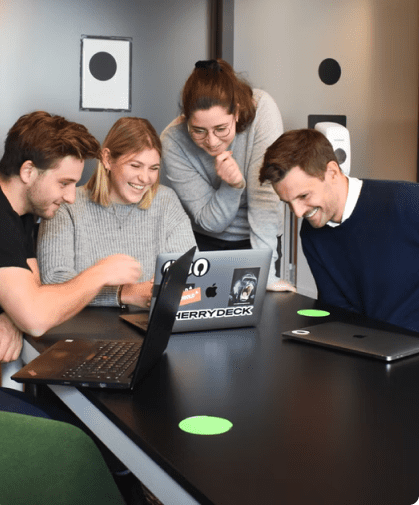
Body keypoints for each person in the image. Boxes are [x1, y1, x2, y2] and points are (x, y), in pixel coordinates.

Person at [0, 111, 142, 417]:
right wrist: (100, 273)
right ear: (29, 171)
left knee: (68, 417)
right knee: (62, 427)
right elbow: (36, 318)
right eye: (64, 183)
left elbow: (33, 287)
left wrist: (12, 315)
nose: (71, 197)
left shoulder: (14, 210)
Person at [259, 128, 419, 333]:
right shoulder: (311, 233)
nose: (297, 213)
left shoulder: (407, 201)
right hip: (371, 345)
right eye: (287, 202)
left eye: (304, 196)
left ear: (332, 172)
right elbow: (338, 310)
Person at [161, 58, 293, 291]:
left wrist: (266, 274)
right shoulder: (173, 141)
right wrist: (232, 186)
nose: (212, 142)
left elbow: (265, 199)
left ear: (237, 113)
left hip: (261, 241)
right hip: (205, 242)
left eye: (221, 129)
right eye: (198, 131)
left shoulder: (262, 109)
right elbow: (211, 221)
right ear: (186, 119)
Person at [38, 117, 196, 308]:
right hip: (82, 321)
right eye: (135, 165)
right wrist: (123, 293)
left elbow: (193, 273)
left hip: (146, 320)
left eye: (153, 168)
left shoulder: (166, 201)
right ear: (107, 159)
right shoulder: (67, 204)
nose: (145, 178)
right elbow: (54, 281)